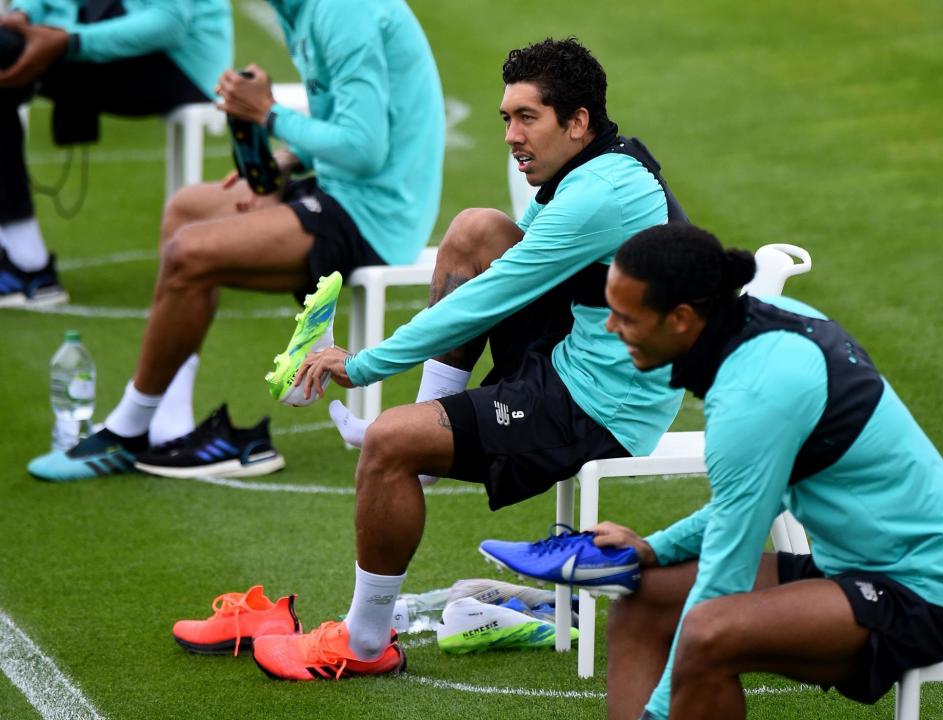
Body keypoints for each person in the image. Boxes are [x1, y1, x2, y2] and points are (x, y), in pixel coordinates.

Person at [246, 37, 691, 681]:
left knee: (391, 444)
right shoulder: (598, 166)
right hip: (578, 351)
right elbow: (499, 278)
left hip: (602, 404)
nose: (512, 135)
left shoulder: (599, 196)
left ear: (578, 122)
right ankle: (427, 430)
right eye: (506, 118)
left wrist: (363, 364)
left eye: (527, 118)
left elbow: (486, 299)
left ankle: (364, 643)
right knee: (476, 228)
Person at [26, 0, 445, 481]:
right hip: (339, 189)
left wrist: (267, 114)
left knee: (191, 252)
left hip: (375, 217)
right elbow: (340, 118)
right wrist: (286, 160)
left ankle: (128, 429)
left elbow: (364, 148)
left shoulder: (340, 10)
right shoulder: (301, 10)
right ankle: (168, 420)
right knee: (187, 209)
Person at [588, 224, 943, 719]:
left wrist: (655, 716)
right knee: (643, 596)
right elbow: (738, 509)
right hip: (846, 566)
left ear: (680, 318)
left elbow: (727, 573)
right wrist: (654, 549)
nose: (612, 328)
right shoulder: (768, 327)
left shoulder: (753, 395)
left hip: (923, 592)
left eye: (625, 317)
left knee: (707, 631)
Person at [0, 0, 233, 306]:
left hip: (182, 62)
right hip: (98, 35)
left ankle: (27, 264)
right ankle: (25, 259)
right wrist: (24, 14)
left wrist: (71, 41)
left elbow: (169, 24)